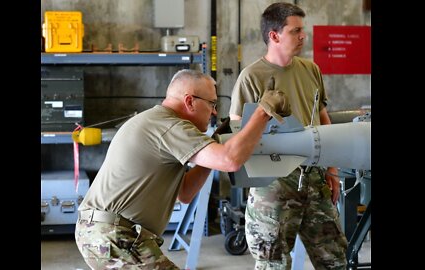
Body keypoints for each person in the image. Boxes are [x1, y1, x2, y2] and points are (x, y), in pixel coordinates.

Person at [75, 68, 291, 270]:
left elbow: (185, 193)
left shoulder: (157, 120)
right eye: (212, 103)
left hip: (103, 232)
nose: (215, 112)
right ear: (190, 101)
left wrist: (214, 145)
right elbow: (231, 160)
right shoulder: (169, 125)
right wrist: (263, 112)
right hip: (114, 234)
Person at [229, 2, 348, 270]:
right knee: (272, 261)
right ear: (274, 35)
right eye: (296, 31)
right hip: (274, 184)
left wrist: (332, 170)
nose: (303, 36)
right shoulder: (251, 77)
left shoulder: (311, 70)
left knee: (334, 257)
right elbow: (238, 133)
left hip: (315, 176)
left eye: (302, 30)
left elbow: (322, 118)